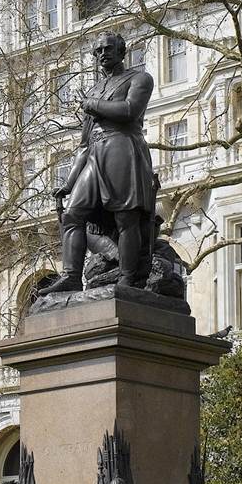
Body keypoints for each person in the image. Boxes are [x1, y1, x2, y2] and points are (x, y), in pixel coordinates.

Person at [39, 30, 162, 295]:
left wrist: (92, 104)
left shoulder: (140, 78)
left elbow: (130, 111)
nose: (102, 54)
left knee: (125, 216)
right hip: (95, 152)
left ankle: (128, 280)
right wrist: (69, 183)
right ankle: (71, 276)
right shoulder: (95, 89)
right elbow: (84, 144)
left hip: (123, 147)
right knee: (72, 214)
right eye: (98, 51)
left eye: (108, 48)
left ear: (121, 51)